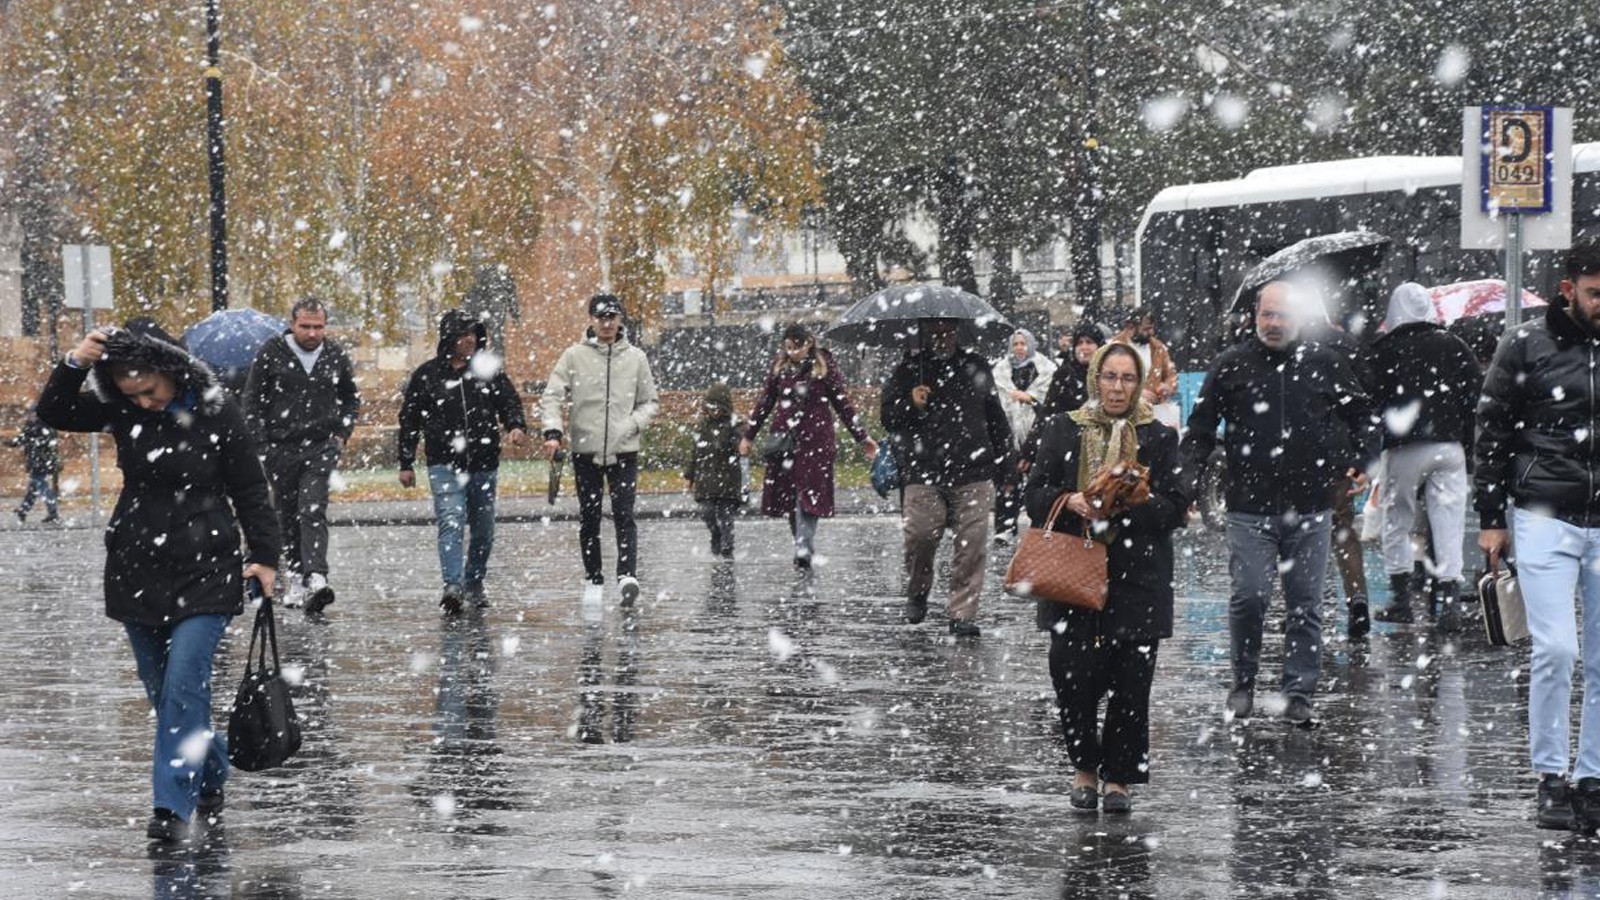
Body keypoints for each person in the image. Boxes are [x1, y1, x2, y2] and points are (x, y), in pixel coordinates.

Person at [36, 322, 280, 844]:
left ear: (171, 372)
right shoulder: (122, 411)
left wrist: (264, 556)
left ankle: (171, 808)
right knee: (162, 689)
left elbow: (250, 487)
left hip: (207, 568)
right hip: (136, 565)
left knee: (184, 685)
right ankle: (210, 768)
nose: (144, 402)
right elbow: (53, 412)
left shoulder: (218, 410)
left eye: (150, 391)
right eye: (131, 394)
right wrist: (76, 362)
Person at [1180, 281, 1379, 724]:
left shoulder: (1325, 363)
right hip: (1249, 508)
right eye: (1267, 314)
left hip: (1310, 507)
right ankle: (1243, 682)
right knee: (1249, 597)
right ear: (1255, 316)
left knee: (1304, 604)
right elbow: (1200, 429)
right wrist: (1188, 482)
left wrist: (1364, 459)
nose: (1274, 323)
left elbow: (1363, 414)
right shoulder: (1231, 366)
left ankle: (1298, 691)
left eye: (1283, 315)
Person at [1026, 342, 1187, 814]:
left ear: (1139, 383)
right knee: (1072, 678)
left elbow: (1176, 506)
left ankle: (1118, 778)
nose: (1118, 387)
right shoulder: (1063, 429)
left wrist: (1134, 500)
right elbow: (1033, 495)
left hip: (1138, 576)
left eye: (1128, 378)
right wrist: (1069, 499)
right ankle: (1084, 769)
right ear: (1095, 377)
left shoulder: (1158, 437)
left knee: (1132, 682)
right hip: (1073, 573)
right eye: (1110, 377)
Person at [1475, 238, 1600, 834]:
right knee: (1557, 649)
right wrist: (1490, 518)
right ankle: (1550, 775)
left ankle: (1593, 777)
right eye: (1596, 293)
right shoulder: (1526, 343)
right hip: (1544, 512)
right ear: (1568, 288)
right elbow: (1492, 429)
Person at [881, 317, 1014, 637]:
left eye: (948, 330)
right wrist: (910, 403)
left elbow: (995, 417)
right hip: (922, 470)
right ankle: (918, 590)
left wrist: (1007, 465)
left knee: (972, 545)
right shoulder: (908, 370)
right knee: (922, 535)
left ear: (957, 331)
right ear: (925, 333)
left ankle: (962, 613)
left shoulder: (976, 365)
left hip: (973, 470)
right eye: (935, 331)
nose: (942, 337)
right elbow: (888, 418)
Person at [1362, 282, 1481, 632]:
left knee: (1396, 519)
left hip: (1403, 447)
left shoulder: (1384, 350)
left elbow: (1371, 401)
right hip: (1450, 446)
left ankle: (1401, 598)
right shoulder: (1455, 345)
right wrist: (1468, 447)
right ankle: (1449, 604)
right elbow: (1474, 397)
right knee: (1449, 521)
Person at [398, 308, 528, 615]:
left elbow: (509, 401)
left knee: (483, 529)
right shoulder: (427, 375)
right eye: (462, 334)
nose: (469, 340)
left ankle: (474, 581)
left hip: (483, 464)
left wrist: (516, 426)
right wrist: (405, 462)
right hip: (444, 463)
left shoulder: (488, 371)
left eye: (473, 334)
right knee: (451, 521)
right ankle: (452, 585)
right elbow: (410, 420)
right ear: (449, 338)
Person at [540, 294, 660, 614]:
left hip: (624, 451)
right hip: (586, 450)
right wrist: (553, 431)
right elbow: (552, 395)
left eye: (612, 317)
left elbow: (650, 402)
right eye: (600, 317)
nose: (607, 324)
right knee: (590, 517)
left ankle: (627, 576)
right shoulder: (574, 356)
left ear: (620, 319)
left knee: (624, 514)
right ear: (591, 320)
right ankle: (594, 579)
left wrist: (632, 424)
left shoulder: (636, 358)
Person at [243, 297, 361, 613]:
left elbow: (350, 397)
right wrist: (262, 446)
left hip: (322, 446)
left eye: (318, 326)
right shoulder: (272, 352)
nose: (312, 333)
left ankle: (317, 576)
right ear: (293, 324)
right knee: (287, 513)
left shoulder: (335, 354)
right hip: (280, 449)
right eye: (305, 326)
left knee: (312, 507)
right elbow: (252, 401)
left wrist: (341, 434)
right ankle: (296, 576)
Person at [739, 323, 877, 569]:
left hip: (817, 442)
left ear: (809, 343)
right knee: (790, 497)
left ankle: (804, 545)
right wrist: (748, 435)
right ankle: (801, 542)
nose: (792, 352)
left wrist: (861, 437)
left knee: (809, 496)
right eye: (788, 347)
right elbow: (765, 402)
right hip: (785, 441)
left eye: (797, 347)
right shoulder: (780, 368)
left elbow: (843, 403)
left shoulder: (824, 367)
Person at [1301, 305, 1378, 639]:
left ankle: (1308, 605)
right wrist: (1362, 456)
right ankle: (1356, 596)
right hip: (1338, 452)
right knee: (1342, 528)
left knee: (1302, 533)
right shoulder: (1346, 344)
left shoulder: (1292, 348)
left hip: (1300, 454)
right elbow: (1367, 398)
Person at [990, 328, 1056, 542]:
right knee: (1008, 482)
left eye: (1023, 343)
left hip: (1039, 437)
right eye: (1016, 344)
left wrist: (1030, 398)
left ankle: (1042, 526)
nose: (1019, 348)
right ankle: (1005, 528)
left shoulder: (1047, 370)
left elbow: (1051, 403)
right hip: (1009, 437)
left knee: (1040, 483)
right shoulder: (1000, 371)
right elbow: (997, 404)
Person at [1023, 321, 1107, 465]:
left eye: (1089, 342)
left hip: (1103, 448)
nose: (1084, 347)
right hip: (1069, 450)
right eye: (1079, 343)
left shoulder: (1109, 374)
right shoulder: (1065, 374)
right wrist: (1029, 452)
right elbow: (1048, 412)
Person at [685, 381, 744, 559]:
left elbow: (739, 446)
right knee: (707, 512)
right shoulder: (703, 426)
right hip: (705, 478)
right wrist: (690, 475)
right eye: (710, 407)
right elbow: (694, 452)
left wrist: (727, 438)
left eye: (717, 407)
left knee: (727, 516)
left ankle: (727, 545)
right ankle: (715, 535)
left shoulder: (735, 425)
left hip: (728, 478)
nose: (714, 411)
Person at [1114, 309, 1180, 428]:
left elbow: (1171, 374)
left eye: (1152, 328)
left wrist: (1168, 386)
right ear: (1130, 328)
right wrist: (1135, 394)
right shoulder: (1114, 348)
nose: (1151, 332)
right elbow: (1108, 381)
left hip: (1155, 415)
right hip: (1124, 417)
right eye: (1146, 329)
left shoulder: (1158, 347)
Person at [10, 406, 59, 523]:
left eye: (33, 414)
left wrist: (32, 442)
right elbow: (21, 439)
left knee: (41, 486)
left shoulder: (45, 426)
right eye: (30, 414)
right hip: (36, 462)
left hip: (42, 462)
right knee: (34, 488)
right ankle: (23, 510)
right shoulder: (30, 427)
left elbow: (47, 442)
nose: (30, 416)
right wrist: (8, 442)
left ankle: (53, 512)